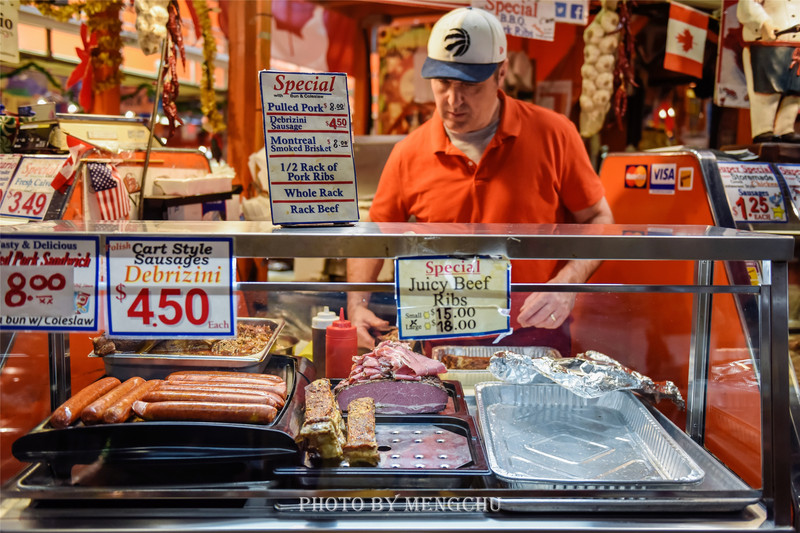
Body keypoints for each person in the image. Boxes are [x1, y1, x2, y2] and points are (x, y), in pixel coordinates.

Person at [347, 6, 614, 354]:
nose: (452, 100)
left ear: (501, 73)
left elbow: (598, 217)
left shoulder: (555, 134)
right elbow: (374, 235)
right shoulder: (408, 152)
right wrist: (356, 304)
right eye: (443, 83)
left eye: (469, 85)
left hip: (533, 341)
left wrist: (566, 284)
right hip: (440, 349)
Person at [737, 0, 800, 143]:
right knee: (766, 90)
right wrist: (762, 22)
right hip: (767, 45)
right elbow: (747, 4)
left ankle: (785, 128)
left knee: (795, 91)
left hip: (796, 47)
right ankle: (763, 129)